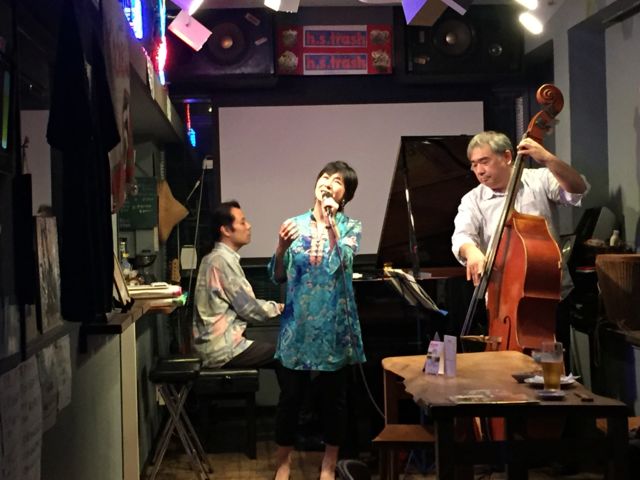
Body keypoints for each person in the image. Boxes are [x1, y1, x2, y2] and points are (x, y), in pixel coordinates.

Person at [451, 130, 589, 366]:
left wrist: (547, 158)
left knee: (548, 372)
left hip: (547, 300)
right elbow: (462, 235)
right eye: (474, 165)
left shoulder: (540, 180)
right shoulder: (473, 199)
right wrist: (471, 251)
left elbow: (577, 189)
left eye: (484, 161)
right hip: (502, 301)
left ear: (507, 157)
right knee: (500, 371)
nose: (479, 170)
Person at [269, 161, 365, 480]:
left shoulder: (351, 227)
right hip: (297, 326)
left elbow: (343, 264)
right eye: (324, 177)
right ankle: (283, 462)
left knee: (333, 401)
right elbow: (278, 275)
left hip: (333, 327)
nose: (328, 182)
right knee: (290, 398)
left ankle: (329, 463)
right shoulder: (294, 224)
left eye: (337, 181)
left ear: (345, 195)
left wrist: (332, 224)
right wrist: (281, 247)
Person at [192, 200, 283, 369]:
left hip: (213, 345)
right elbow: (249, 308)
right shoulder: (222, 261)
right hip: (223, 349)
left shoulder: (212, 258)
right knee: (285, 356)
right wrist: (281, 308)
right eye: (242, 222)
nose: (249, 226)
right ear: (226, 230)